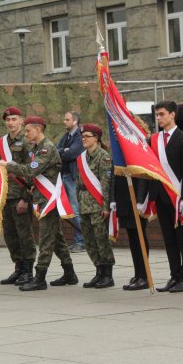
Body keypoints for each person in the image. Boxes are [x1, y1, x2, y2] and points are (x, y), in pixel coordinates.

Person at [0, 116, 78, 291]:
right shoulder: (38, 148)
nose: (26, 134)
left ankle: (40, 277)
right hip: (42, 198)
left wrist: (8, 165)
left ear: (38, 129)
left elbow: (29, 171)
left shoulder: (46, 149)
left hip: (48, 199)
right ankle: (70, 273)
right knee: (56, 238)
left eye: (28, 130)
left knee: (46, 239)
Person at [148, 100, 183, 293]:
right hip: (160, 195)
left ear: (172, 114)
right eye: (157, 115)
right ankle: (174, 276)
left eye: (161, 114)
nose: (158, 118)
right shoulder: (154, 140)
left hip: (177, 197)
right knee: (168, 239)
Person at [0, 106, 36, 286]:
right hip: (6, 196)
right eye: (8, 120)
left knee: (24, 235)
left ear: (21, 120)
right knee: (11, 235)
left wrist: (25, 198)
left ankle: (28, 270)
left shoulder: (27, 142)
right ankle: (18, 268)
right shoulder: (2, 143)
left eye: (14, 119)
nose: (11, 123)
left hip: (21, 195)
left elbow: (32, 171)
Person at [113, 115, 152, 291]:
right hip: (123, 194)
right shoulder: (120, 144)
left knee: (139, 234)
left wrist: (141, 199)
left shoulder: (140, 142)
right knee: (131, 236)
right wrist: (114, 199)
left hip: (136, 194)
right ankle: (138, 273)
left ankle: (144, 275)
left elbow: (145, 174)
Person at [76, 124, 115, 288]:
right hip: (84, 204)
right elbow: (78, 183)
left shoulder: (103, 157)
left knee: (101, 240)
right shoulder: (82, 158)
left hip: (98, 205)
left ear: (96, 138)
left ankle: (107, 275)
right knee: (90, 241)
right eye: (82, 136)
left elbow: (106, 184)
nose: (84, 139)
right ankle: (98, 272)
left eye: (87, 136)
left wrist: (106, 207)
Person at [57, 111, 85, 252]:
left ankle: (83, 241)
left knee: (75, 209)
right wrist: (64, 150)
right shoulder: (66, 136)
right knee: (70, 210)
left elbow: (73, 153)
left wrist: (64, 152)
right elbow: (57, 151)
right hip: (65, 175)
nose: (64, 121)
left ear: (75, 121)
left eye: (67, 119)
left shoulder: (80, 136)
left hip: (73, 177)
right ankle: (79, 240)